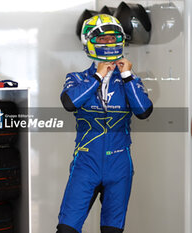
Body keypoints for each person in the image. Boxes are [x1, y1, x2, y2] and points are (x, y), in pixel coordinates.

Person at [56, 14, 153, 233]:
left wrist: (126, 75)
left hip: (119, 165)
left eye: (112, 38)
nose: (108, 43)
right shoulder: (78, 77)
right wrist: (98, 76)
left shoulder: (131, 80)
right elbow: (70, 103)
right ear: (89, 41)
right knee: (66, 229)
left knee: (112, 230)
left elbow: (144, 111)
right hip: (86, 164)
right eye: (102, 39)